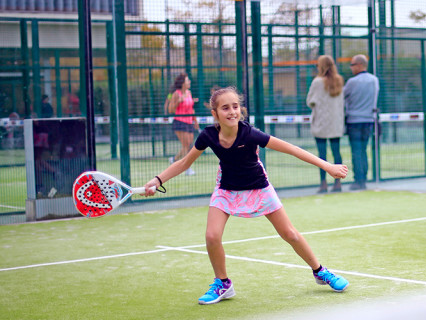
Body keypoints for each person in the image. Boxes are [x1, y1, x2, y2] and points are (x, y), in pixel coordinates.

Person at [142, 87, 350, 305]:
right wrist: (157, 181)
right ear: (215, 113)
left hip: (259, 187)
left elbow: (291, 149)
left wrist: (327, 166)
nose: (232, 111)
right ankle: (223, 283)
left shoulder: (249, 133)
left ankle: (320, 271)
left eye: (235, 106)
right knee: (212, 236)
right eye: (225, 108)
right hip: (226, 189)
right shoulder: (208, 136)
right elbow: (184, 162)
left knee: (290, 234)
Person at [307, 55, 345, 193]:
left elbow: (310, 101)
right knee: (336, 152)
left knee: (321, 155)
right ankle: (338, 183)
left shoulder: (317, 82)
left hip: (321, 123)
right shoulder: (339, 80)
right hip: (335, 122)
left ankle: (323, 184)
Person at [343, 54, 379, 191]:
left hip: (354, 121)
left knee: (356, 152)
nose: (351, 67)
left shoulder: (352, 82)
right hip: (369, 121)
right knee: (363, 151)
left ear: (359, 65)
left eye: (352, 64)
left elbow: (343, 96)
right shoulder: (374, 80)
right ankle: (363, 179)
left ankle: (358, 180)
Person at [166, 72, 200, 175]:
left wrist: (195, 121)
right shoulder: (177, 94)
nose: (189, 82)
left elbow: (191, 109)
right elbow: (170, 109)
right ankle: (187, 169)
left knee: (189, 145)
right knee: (186, 146)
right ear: (182, 83)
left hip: (189, 122)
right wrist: (178, 101)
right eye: (187, 80)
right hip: (180, 122)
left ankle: (174, 159)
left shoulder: (189, 93)